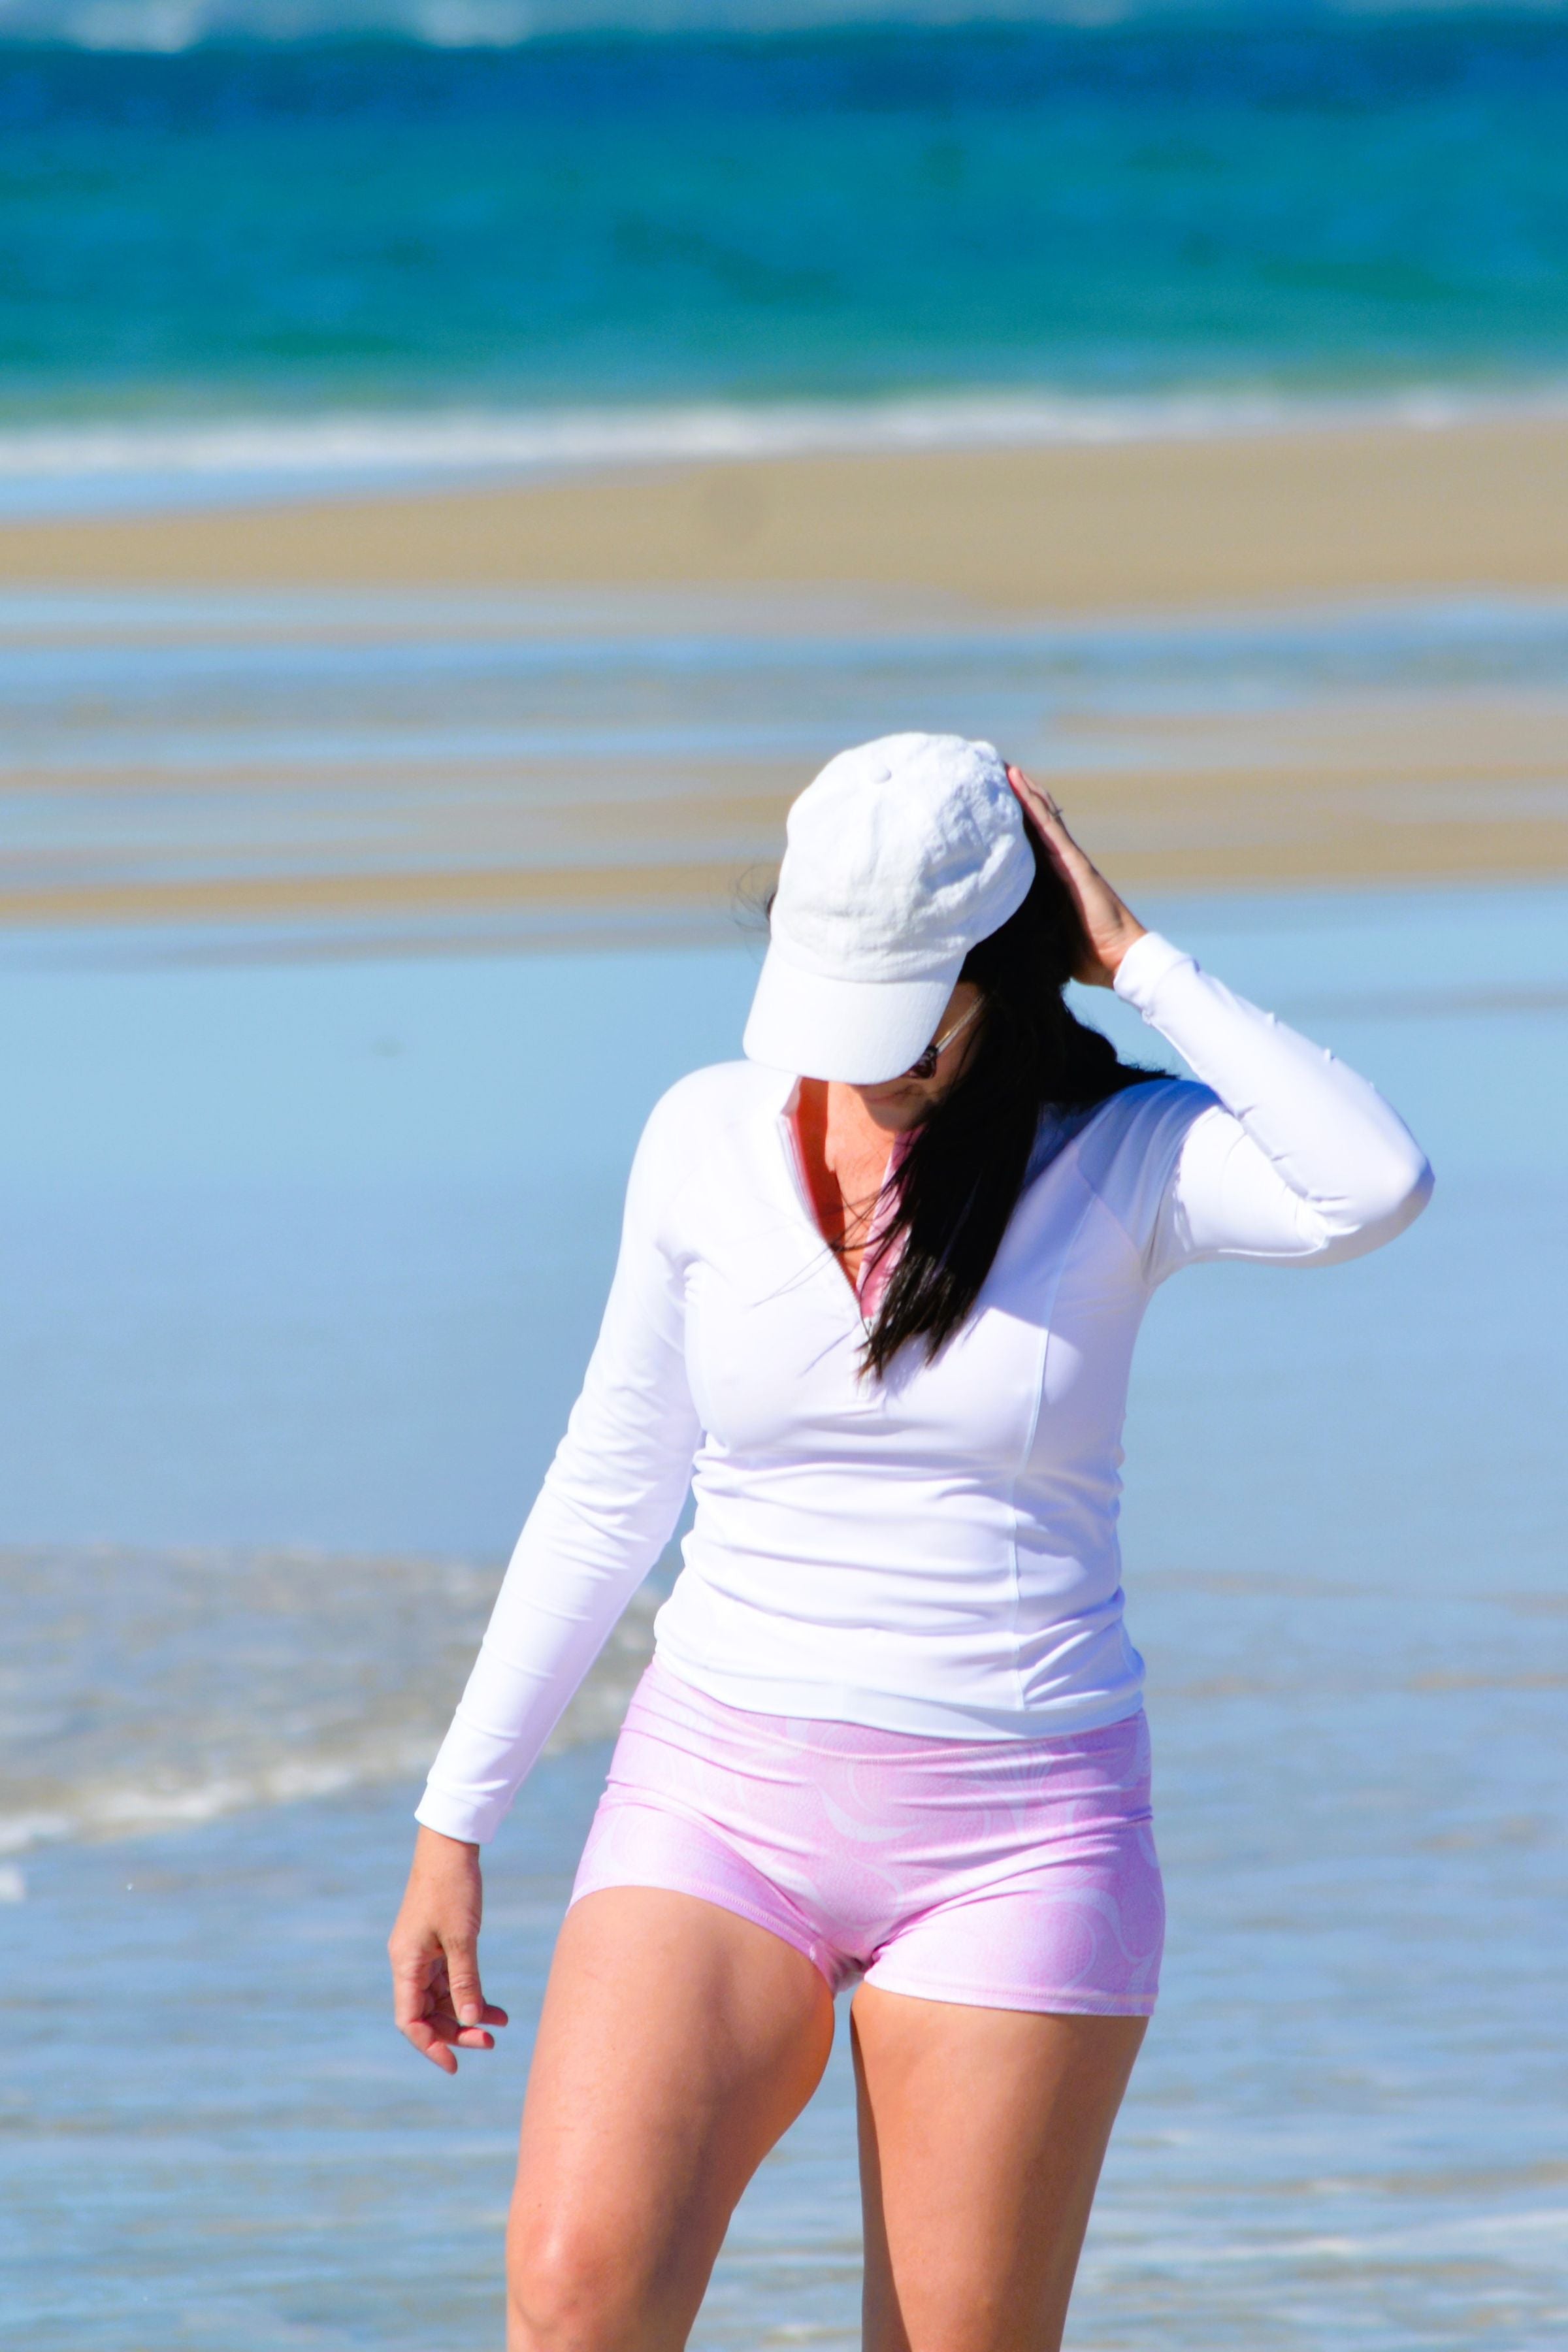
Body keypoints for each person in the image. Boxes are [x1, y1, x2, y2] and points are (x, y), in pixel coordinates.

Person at [389, 734, 1433, 2352]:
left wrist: (1135, 952)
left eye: (902, 1016)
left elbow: (1374, 1185)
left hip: (1020, 1841)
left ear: (1002, 974)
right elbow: (609, 1485)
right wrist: (456, 1821)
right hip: (715, 1801)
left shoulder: (1131, 1159)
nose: (858, 1062)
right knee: (574, 2297)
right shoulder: (704, 1138)